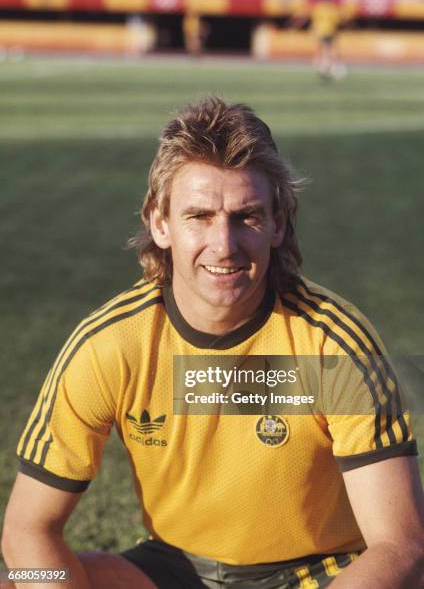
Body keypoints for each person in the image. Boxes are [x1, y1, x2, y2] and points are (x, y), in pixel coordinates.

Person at [2, 96, 423, 589]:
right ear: (159, 223)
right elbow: (26, 530)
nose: (224, 245)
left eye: (246, 216)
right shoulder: (111, 346)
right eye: (199, 216)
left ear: (278, 224)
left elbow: (401, 548)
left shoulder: (331, 343)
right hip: (176, 570)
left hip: (318, 574)